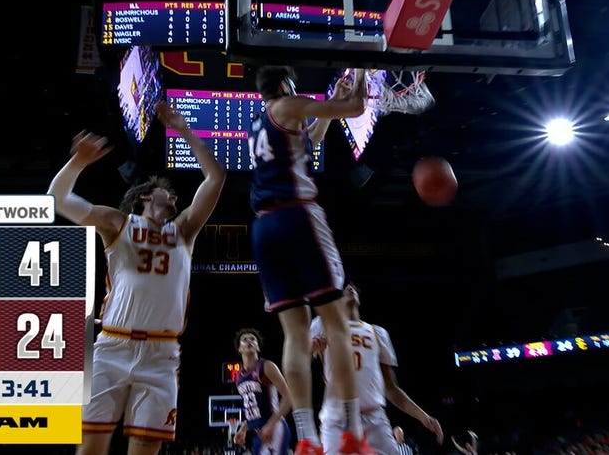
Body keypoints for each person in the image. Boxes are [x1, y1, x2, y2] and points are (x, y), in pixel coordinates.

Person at [48, 101, 226, 455]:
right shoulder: (117, 223)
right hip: (113, 345)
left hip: (162, 353)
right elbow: (56, 199)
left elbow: (216, 177)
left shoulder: (184, 230)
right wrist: (78, 162)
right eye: (167, 192)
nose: (175, 196)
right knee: (91, 447)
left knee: (145, 449)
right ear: (146, 196)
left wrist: (185, 130)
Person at [248, 65, 371, 455]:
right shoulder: (287, 104)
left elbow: (315, 133)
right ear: (285, 85)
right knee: (336, 325)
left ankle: (306, 440)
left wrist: (332, 107)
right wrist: (363, 75)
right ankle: (352, 434)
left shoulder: (259, 123)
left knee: (296, 335)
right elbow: (353, 108)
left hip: (264, 229)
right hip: (297, 215)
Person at [310, 282, 444, 455]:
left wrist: (423, 416)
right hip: (337, 419)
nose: (350, 287)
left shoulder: (377, 333)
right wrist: (311, 347)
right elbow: (299, 359)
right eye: (344, 289)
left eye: (353, 288)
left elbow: (391, 388)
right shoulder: (323, 324)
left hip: (374, 418)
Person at [231, 328, 292, 455]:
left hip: (275, 427)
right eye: (244, 339)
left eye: (253, 339)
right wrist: (243, 429)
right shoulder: (238, 377)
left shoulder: (266, 366)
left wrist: (271, 424)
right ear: (239, 349)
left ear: (258, 347)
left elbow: (289, 397)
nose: (249, 341)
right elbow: (253, 411)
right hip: (258, 432)